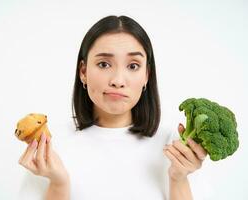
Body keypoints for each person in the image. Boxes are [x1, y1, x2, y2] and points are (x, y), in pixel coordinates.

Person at [18, 15, 208, 200]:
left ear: (147, 75)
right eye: (104, 64)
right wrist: (58, 184)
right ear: (83, 72)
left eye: (133, 66)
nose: (118, 81)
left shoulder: (176, 146)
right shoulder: (51, 145)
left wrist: (178, 179)